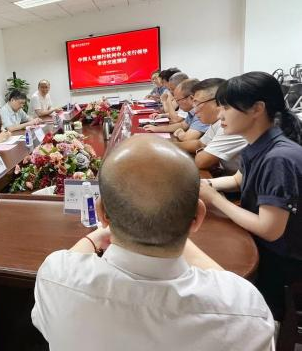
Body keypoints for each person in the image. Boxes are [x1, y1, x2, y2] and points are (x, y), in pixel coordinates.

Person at [32, 135, 274, 351]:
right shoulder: (244, 309)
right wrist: (176, 224)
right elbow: (229, 288)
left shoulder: (55, 277)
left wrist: (95, 236)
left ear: (102, 214)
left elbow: (65, 265)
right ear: (197, 218)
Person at [199, 71, 302, 319]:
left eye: (226, 107)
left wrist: (214, 199)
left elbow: (269, 229)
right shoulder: (259, 143)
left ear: (257, 108)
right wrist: (204, 185)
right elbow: (238, 179)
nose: (220, 115)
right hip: (267, 244)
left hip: (282, 258)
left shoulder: (279, 158)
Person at [176, 78, 247, 175]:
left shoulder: (233, 124)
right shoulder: (216, 123)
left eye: (197, 103)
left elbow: (201, 161)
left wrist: (205, 150)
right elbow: (200, 144)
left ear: (217, 102)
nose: (195, 110)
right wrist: (169, 145)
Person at [143, 79, 209, 141]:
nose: (177, 103)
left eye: (178, 100)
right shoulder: (192, 111)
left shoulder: (202, 112)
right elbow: (182, 125)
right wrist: (156, 129)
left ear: (191, 98)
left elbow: (187, 138)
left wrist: (180, 133)